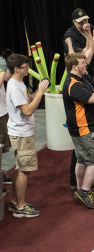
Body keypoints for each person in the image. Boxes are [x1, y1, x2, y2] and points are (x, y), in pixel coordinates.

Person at [5, 54, 49, 218]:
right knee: (24, 170)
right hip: (22, 134)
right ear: (17, 69)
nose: (28, 69)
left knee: (19, 167)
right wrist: (41, 93)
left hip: (20, 132)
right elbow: (28, 110)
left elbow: (27, 100)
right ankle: (20, 207)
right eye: (25, 67)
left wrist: (38, 90)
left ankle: (16, 202)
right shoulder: (15, 86)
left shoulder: (17, 83)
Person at [63, 52, 94, 209]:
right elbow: (92, 99)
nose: (86, 65)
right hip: (85, 129)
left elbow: (90, 95)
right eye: (83, 63)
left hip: (80, 129)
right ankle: (84, 190)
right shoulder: (73, 85)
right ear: (75, 66)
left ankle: (80, 188)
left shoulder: (79, 79)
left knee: (82, 159)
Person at [63, 9, 94, 87]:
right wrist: (93, 38)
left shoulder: (92, 27)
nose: (84, 23)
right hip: (84, 74)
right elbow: (79, 56)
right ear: (74, 21)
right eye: (80, 22)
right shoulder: (70, 35)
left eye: (85, 20)